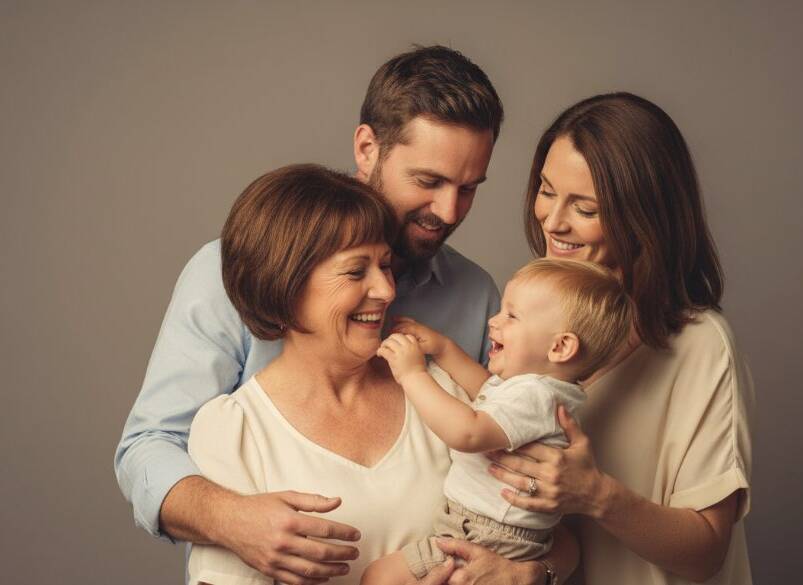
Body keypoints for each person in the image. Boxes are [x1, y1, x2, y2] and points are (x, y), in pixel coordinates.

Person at [114, 46, 511, 583]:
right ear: (368, 148)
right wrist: (235, 521)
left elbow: (512, 467)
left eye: (468, 189)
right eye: (428, 181)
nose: (448, 211)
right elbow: (150, 447)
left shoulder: (475, 296)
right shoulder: (227, 271)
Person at [186, 164, 576, 585]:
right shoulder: (234, 431)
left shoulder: (441, 393)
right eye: (357, 271)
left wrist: (529, 574)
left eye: (386, 266)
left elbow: (554, 535)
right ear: (287, 285)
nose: (387, 291)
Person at [483, 93, 755, 585]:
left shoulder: (700, 346)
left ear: (643, 217)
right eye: (546, 191)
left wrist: (596, 495)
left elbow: (706, 552)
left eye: (584, 207)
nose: (553, 220)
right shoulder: (530, 322)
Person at [363, 258, 634, 585]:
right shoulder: (528, 389)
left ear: (559, 347)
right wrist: (443, 347)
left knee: (381, 578)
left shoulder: (536, 395)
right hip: (489, 530)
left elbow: (467, 431)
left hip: (487, 535)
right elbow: (483, 392)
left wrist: (412, 373)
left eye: (511, 316)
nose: (494, 321)